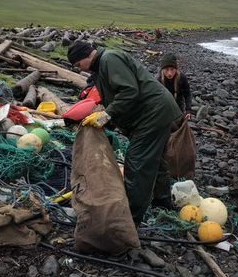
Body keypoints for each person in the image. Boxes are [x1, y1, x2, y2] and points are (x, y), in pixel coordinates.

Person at [67, 40, 182, 225]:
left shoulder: (109, 59)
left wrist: (107, 114)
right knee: (155, 160)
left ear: (87, 55)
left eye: (79, 64)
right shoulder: (99, 67)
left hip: (153, 113)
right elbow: (116, 97)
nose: (81, 69)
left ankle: (131, 218)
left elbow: (129, 92)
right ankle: (163, 202)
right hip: (151, 114)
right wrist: (108, 121)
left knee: (137, 163)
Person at [157, 53, 192, 119]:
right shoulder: (158, 79)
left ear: (176, 69)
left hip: (178, 107)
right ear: (162, 69)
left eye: (172, 69)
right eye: (166, 69)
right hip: (163, 107)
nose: (169, 73)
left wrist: (188, 110)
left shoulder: (182, 78)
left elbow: (187, 95)